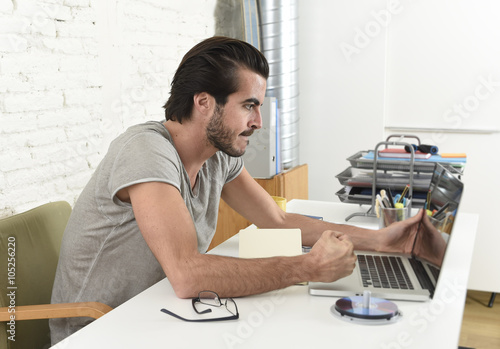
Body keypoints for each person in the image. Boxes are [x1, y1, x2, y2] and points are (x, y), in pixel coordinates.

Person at [50, 36, 422, 344]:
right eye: (248, 106)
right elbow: (188, 275)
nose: (258, 122)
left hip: (157, 315)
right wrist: (308, 267)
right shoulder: (146, 151)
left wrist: (383, 240)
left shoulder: (217, 156)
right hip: (98, 331)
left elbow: (276, 219)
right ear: (204, 103)